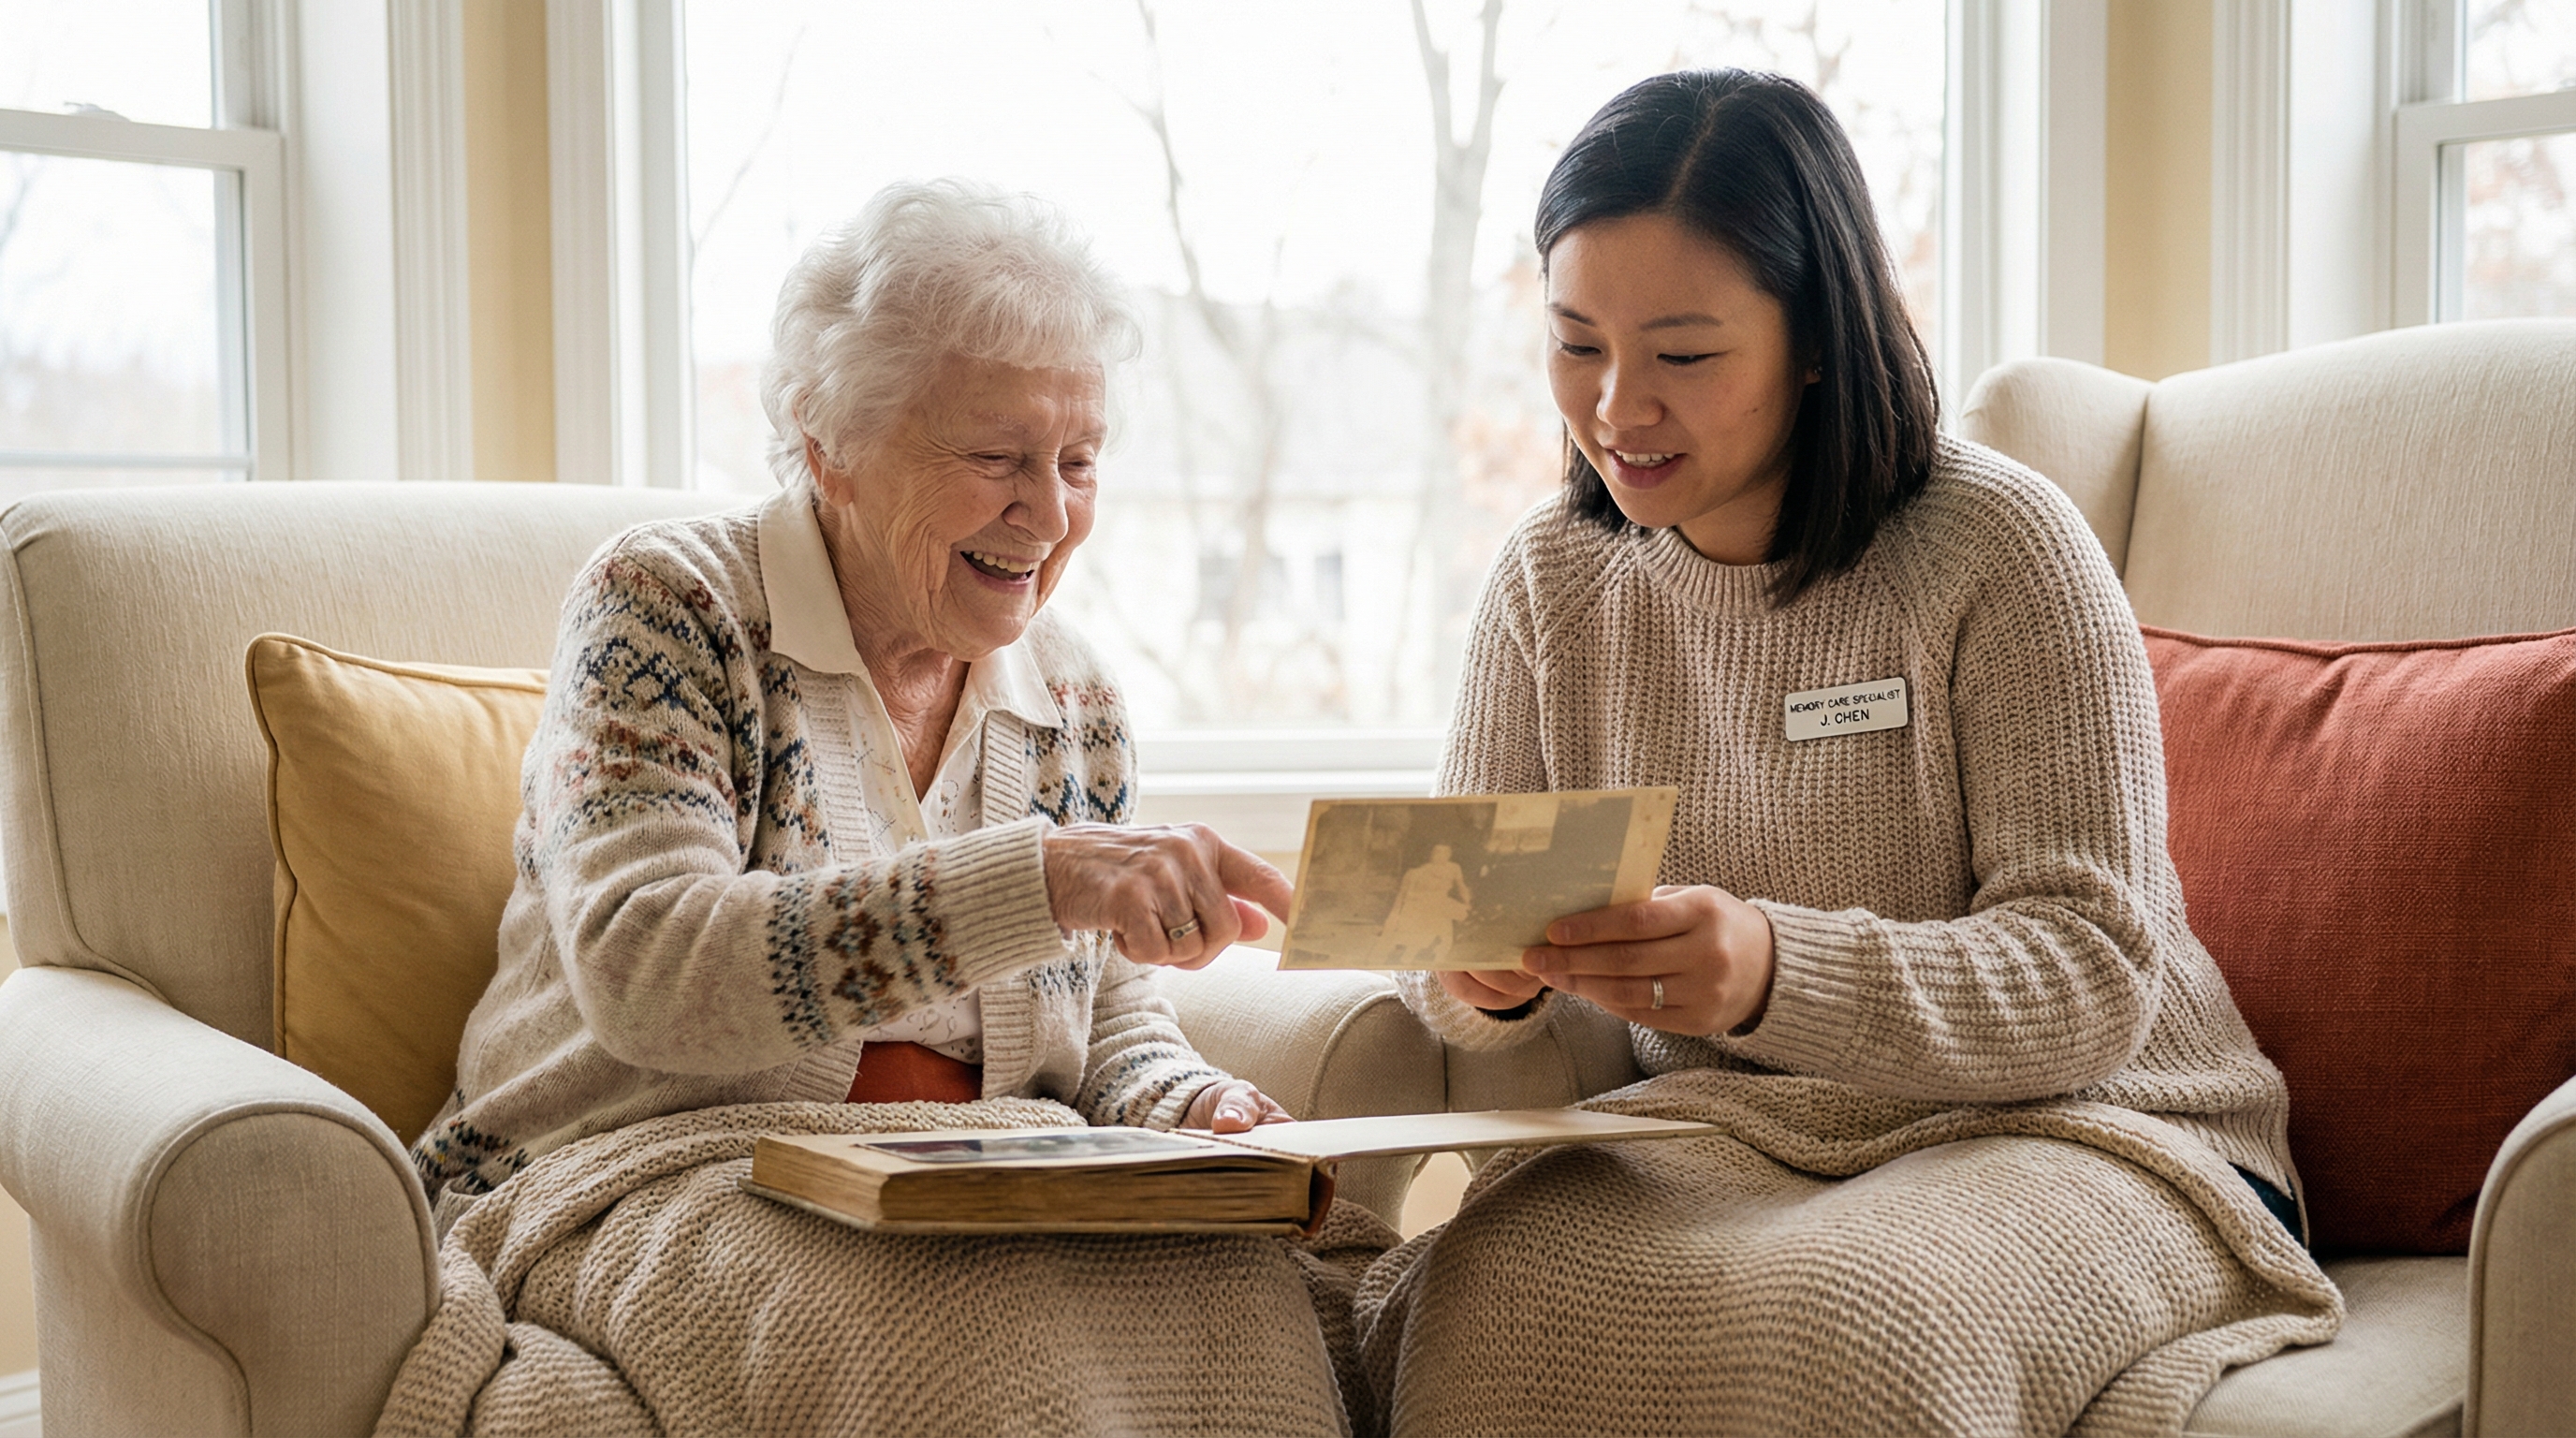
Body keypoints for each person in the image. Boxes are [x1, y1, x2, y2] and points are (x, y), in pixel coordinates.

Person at [1361, 71, 2340, 1436]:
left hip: (2104, 1126)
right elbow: (1463, 981)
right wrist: (1489, 982)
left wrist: (1772, 971)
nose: (1618, 407)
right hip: (1738, 1134)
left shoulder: (2000, 548)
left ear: (1816, 340)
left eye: (1683, 356)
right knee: (1483, 1294)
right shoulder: (1552, 581)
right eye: (1576, 344)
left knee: (1859, 1329)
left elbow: (2094, 973)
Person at [391, 181, 1358, 1436]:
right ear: (828, 446)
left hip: (987, 1177)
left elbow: (1112, 1019)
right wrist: (1042, 878)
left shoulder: (1072, 694)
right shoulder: (669, 607)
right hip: (658, 1165)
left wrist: (1192, 1105)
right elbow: (647, 968)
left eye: (1078, 462)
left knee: (1250, 1313)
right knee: (940, 1352)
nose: (1049, 513)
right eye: (995, 458)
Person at [1377, 843, 1472, 965]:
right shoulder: (1419, 871)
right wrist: (1396, 913)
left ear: (1450, 854)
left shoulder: (1453, 868)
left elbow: (1461, 886)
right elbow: (1404, 894)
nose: (1442, 855)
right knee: (1419, 939)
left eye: (1446, 852)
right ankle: (1404, 960)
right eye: (1437, 852)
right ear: (1431, 854)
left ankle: (1438, 962)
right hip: (1423, 907)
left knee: (1445, 937)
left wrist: (1467, 901)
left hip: (1442, 905)